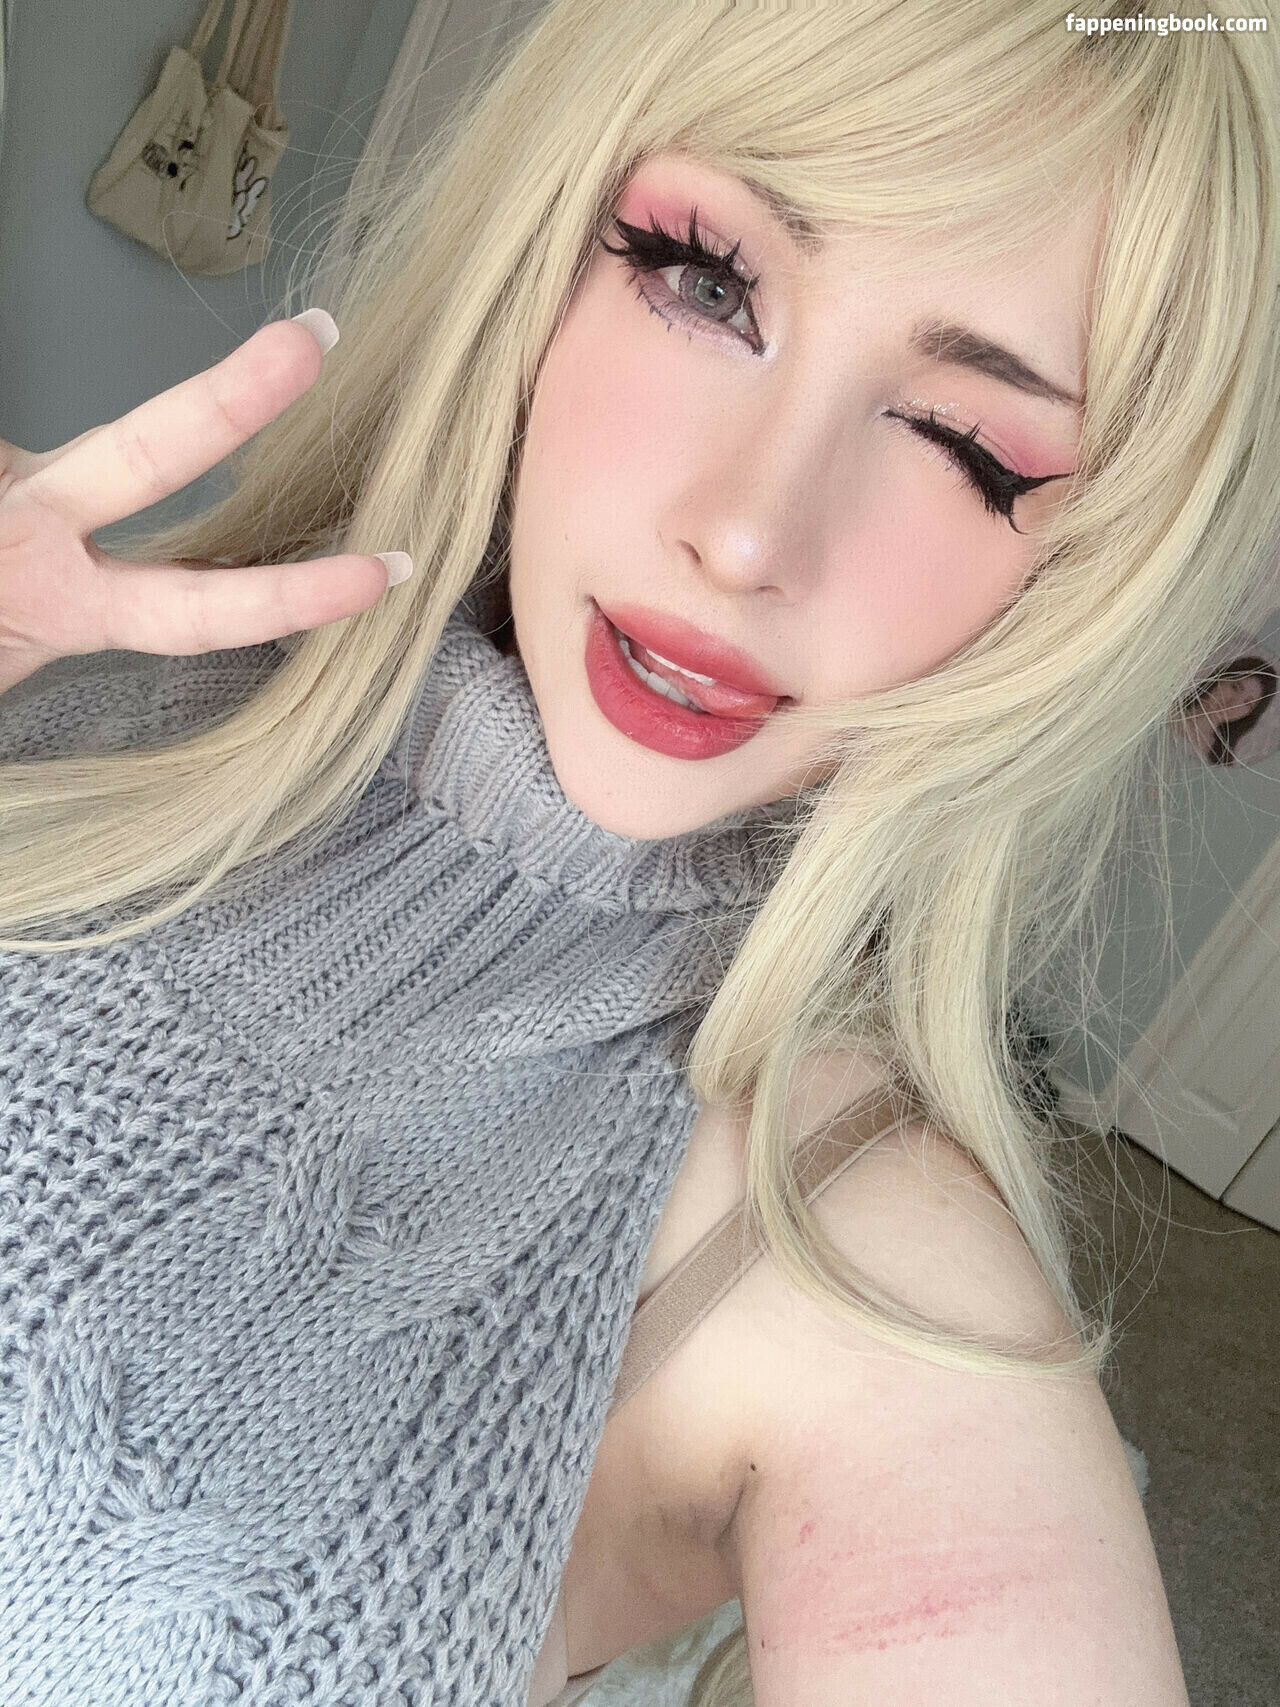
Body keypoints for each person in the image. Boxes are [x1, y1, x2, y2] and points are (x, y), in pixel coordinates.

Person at [0, 2, 1277, 1702]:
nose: (747, 532)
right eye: (704, 281)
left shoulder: (854, 1259)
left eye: (971, 446)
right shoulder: (74, 665)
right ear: (549, 253)